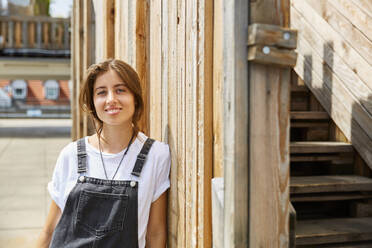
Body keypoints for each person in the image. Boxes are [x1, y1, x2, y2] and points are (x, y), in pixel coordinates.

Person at [36, 59, 170, 248]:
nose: (111, 99)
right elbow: (49, 231)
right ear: (92, 102)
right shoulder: (71, 155)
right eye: (101, 92)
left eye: (120, 90)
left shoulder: (156, 155)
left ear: (135, 97)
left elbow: (155, 234)